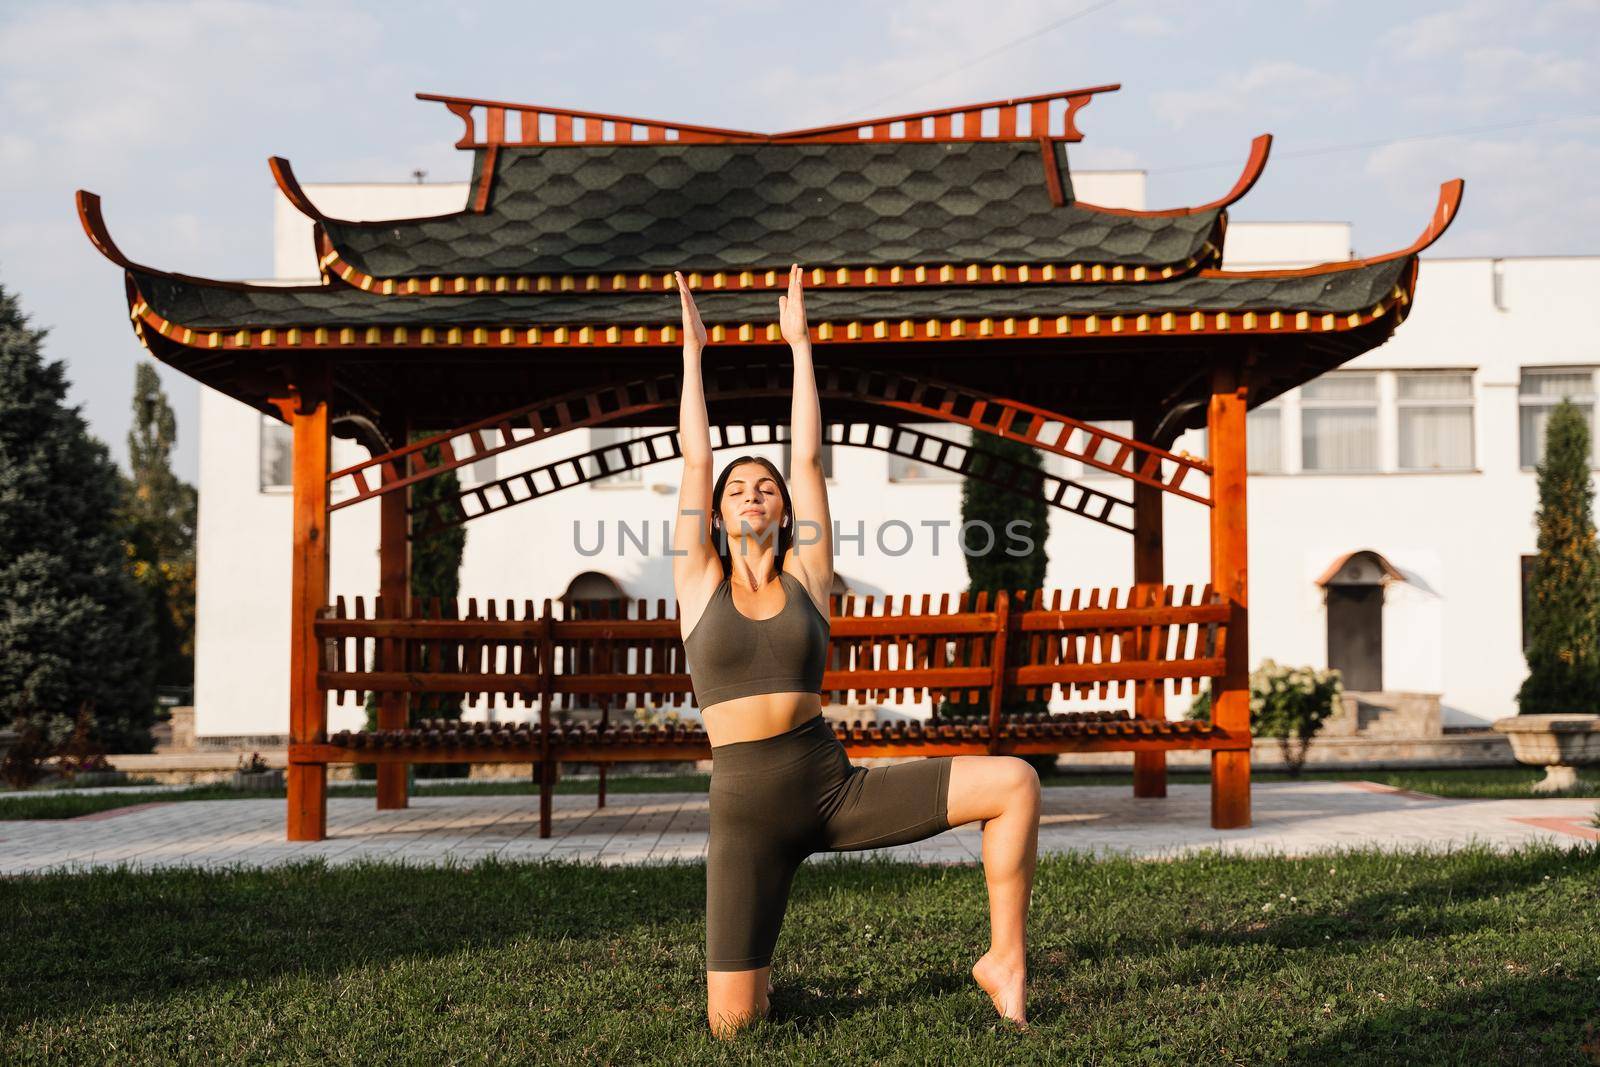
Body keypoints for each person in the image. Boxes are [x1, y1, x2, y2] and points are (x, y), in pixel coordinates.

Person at [672, 265, 1042, 1039]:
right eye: (738, 487)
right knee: (734, 1028)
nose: (751, 491)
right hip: (744, 816)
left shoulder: (810, 576)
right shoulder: (698, 581)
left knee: (1014, 781)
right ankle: (761, 987)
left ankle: (1005, 957)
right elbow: (695, 459)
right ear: (714, 513)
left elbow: (807, 459)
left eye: (762, 487)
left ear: (781, 510)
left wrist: (800, 347)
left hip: (830, 784)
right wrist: (692, 356)